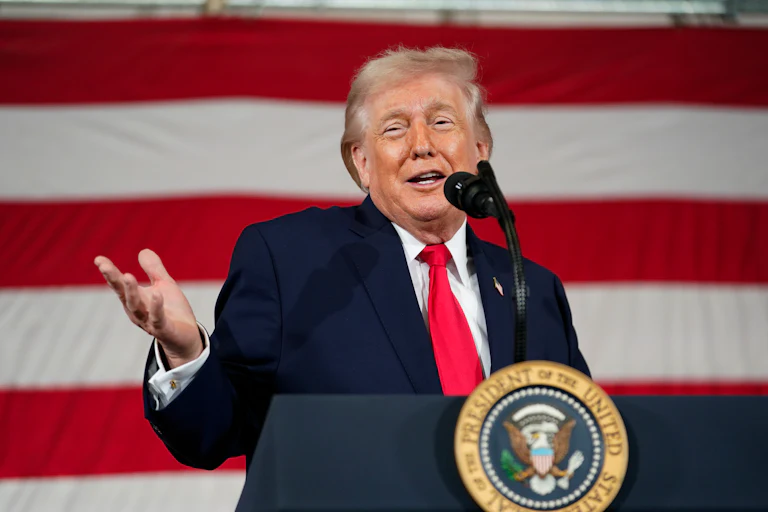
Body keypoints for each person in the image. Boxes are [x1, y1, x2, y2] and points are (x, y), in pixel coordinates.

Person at [94, 47, 589, 470]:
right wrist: (186, 354)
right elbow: (212, 433)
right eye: (394, 129)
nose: (421, 145)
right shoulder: (291, 259)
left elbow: (578, 448)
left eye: (442, 122)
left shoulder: (532, 287)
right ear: (362, 162)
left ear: (479, 149)